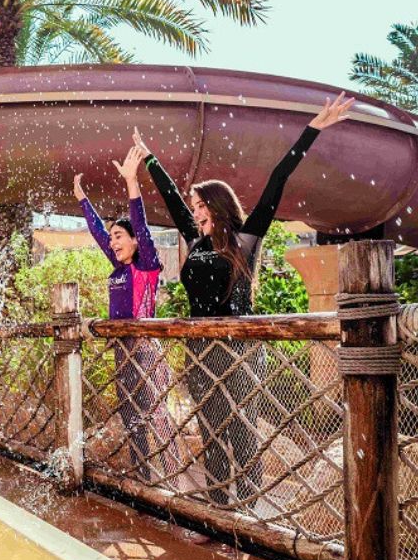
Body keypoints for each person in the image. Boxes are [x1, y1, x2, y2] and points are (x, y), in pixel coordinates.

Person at [133, 93, 354, 506]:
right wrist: (149, 158)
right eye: (194, 206)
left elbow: (276, 180)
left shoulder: (245, 239)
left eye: (201, 205)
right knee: (212, 429)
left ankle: (248, 514)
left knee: (242, 431)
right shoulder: (194, 239)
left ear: (217, 206)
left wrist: (313, 130)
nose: (194, 211)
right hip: (199, 347)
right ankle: (220, 512)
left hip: (239, 348)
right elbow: (169, 197)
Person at [74, 147, 187, 488]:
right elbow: (97, 232)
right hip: (121, 353)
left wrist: (131, 181)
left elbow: (139, 224)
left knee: (157, 418)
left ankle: (173, 483)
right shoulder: (119, 266)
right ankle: (145, 481)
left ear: (136, 242)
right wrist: (82, 200)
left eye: (119, 236)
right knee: (131, 417)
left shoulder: (145, 265)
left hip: (146, 352)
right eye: (113, 238)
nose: (113, 241)